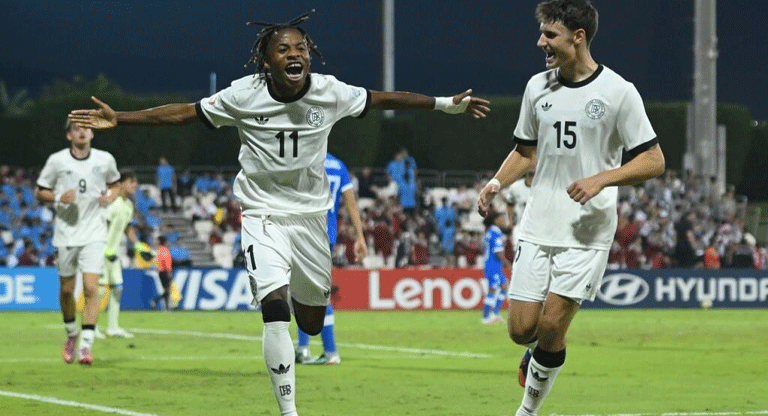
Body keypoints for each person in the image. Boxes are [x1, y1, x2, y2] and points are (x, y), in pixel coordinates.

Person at [69, 11, 489, 415]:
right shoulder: (243, 93)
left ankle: (305, 330)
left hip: (310, 219)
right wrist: (121, 118)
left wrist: (443, 103)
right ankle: (289, 410)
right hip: (261, 214)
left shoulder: (331, 92)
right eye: (284, 49)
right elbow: (186, 112)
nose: (295, 54)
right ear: (266, 61)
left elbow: (383, 99)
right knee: (274, 306)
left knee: (309, 322)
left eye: (301, 48)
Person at [476, 1, 665, 415]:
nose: (540, 41)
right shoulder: (536, 88)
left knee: (550, 327)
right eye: (542, 33)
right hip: (539, 223)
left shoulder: (618, 92)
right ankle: (539, 354)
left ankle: (526, 410)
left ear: (578, 37)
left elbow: (654, 159)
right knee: (521, 330)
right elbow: (525, 152)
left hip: (587, 231)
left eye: (550, 35)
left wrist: (601, 178)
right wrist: (495, 183)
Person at [35, 118, 120, 365]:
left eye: (86, 128)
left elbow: (115, 185)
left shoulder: (105, 159)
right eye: (76, 129)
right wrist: (59, 196)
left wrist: (110, 197)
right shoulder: (57, 160)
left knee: (92, 288)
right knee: (67, 291)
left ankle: (86, 344)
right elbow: (40, 191)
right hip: (66, 233)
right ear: (69, 136)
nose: (82, 131)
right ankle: (72, 333)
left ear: (93, 133)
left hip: (94, 232)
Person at [295, 152, 367, 366]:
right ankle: (307, 349)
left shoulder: (305, 160)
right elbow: (351, 205)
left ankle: (326, 351)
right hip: (327, 235)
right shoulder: (339, 164)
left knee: (309, 292)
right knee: (308, 291)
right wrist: (360, 237)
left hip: (307, 232)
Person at [96, 169, 140, 339]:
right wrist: (104, 248)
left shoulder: (128, 205)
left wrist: (137, 245)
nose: (134, 185)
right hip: (100, 252)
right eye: (131, 181)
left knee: (117, 289)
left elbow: (127, 227)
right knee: (99, 291)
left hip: (113, 254)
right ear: (121, 183)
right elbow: (99, 225)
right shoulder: (111, 203)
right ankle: (90, 329)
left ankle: (113, 327)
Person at [481, 212, 511, 324]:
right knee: (492, 289)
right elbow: (498, 252)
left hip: (494, 265)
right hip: (492, 265)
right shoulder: (495, 232)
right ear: (495, 221)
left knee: (504, 287)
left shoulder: (493, 231)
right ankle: (485, 317)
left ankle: (495, 314)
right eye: (502, 219)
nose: (504, 221)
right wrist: (508, 263)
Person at [151, 235, 173, 310]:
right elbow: (166, 262)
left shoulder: (159, 250)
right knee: (167, 290)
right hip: (164, 272)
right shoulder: (164, 250)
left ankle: (166, 307)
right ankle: (155, 301)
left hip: (161, 272)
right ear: (164, 242)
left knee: (166, 290)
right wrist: (168, 272)